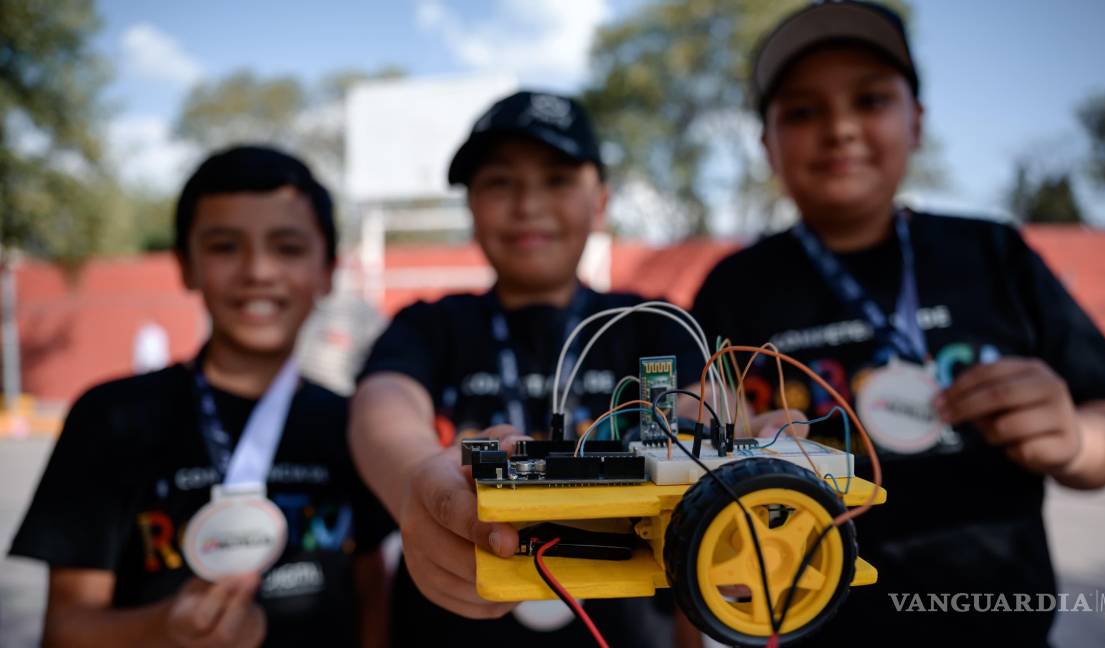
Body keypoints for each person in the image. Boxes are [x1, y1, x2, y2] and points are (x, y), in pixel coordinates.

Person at [690, 2, 1105, 644]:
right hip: (802, 622)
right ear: (767, 144)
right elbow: (687, 425)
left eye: (871, 100)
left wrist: (1077, 441)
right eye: (801, 111)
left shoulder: (995, 255)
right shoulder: (734, 287)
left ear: (917, 121)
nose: (840, 127)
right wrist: (715, 446)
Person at [349, 90, 716, 646]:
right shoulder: (429, 326)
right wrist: (417, 483)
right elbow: (382, 409)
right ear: (470, 205)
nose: (528, 204)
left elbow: (705, 412)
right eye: (499, 182)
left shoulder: (652, 326)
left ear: (601, 202)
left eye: (558, 178)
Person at [9, 146, 392, 647]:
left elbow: (372, 603)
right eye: (224, 246)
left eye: (288, 247)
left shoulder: (353, 422)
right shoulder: (111, 419)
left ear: (327, 271)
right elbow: (64, 631)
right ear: (186, 266)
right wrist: (164, 628)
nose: (258, 270)